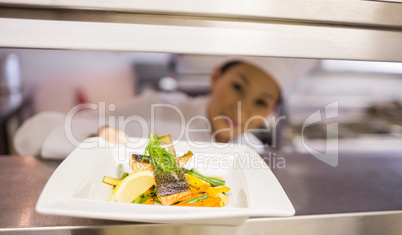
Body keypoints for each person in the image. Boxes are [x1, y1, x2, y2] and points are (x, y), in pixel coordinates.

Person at [13, 56, 316, 159]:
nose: (241, 109)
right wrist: (98, 136)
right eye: (238, 87)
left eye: (261, 102)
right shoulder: (158, 110)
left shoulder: (251, 153)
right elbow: (31, 133)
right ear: (215, 77)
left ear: (271, 112)